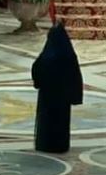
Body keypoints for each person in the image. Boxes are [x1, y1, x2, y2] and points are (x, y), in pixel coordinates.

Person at [32, 21, 83, 153]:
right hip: (63, 98)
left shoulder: (47, 55)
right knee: (61, 122)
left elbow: (37, 70)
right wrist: (75, 96)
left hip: (47, 96)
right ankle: (60, 145)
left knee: (47, 122)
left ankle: (45, 144)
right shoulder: (69, 54)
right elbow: (75, 75)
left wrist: (38, 83)